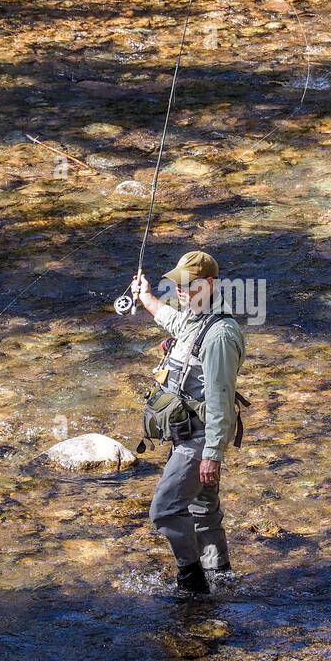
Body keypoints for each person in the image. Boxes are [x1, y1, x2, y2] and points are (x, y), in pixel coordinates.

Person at [130, 250, 246, 594]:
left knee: (165, 511)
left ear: (208, 285)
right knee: (203, 511)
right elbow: (172, 320)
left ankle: (191, 582)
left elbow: (222, 401)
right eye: (177, 283)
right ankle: (220, 580)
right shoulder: (194, 318)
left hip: (199, 441)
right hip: (188, 435)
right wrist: (147, 297)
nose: (179, 290)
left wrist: (212, 455)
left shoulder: (219, 336)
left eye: (187, 284)